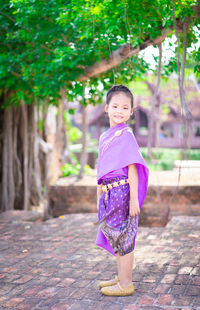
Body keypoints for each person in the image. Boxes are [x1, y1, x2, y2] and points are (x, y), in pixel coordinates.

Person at [96, 85, 149, 296]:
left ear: (131, 111)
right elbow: (102, 167)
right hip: (109, 192)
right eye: (115, 106)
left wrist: (134, 199)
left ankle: (126, 284)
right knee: (115, 236)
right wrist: (99, 194)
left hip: (123, 192)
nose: (119, 111)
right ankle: (121, 276)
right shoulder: (105, 136)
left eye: (125, 107)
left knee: (125, 236)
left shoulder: (126, 135)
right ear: (106, 107)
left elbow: (132, 168)